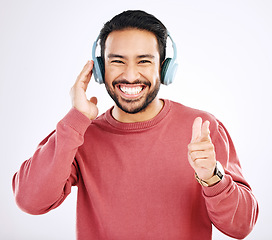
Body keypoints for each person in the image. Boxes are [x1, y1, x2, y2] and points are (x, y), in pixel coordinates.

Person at [12, 10, 258, 240]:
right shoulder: (80, 135)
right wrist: (76, 118)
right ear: (100, 69)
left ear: (164, 67)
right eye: (117, 61)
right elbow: (29, 201)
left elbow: (241, 226)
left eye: (144, 61)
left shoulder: (203, 129)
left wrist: (212, 178)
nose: (130, 76)